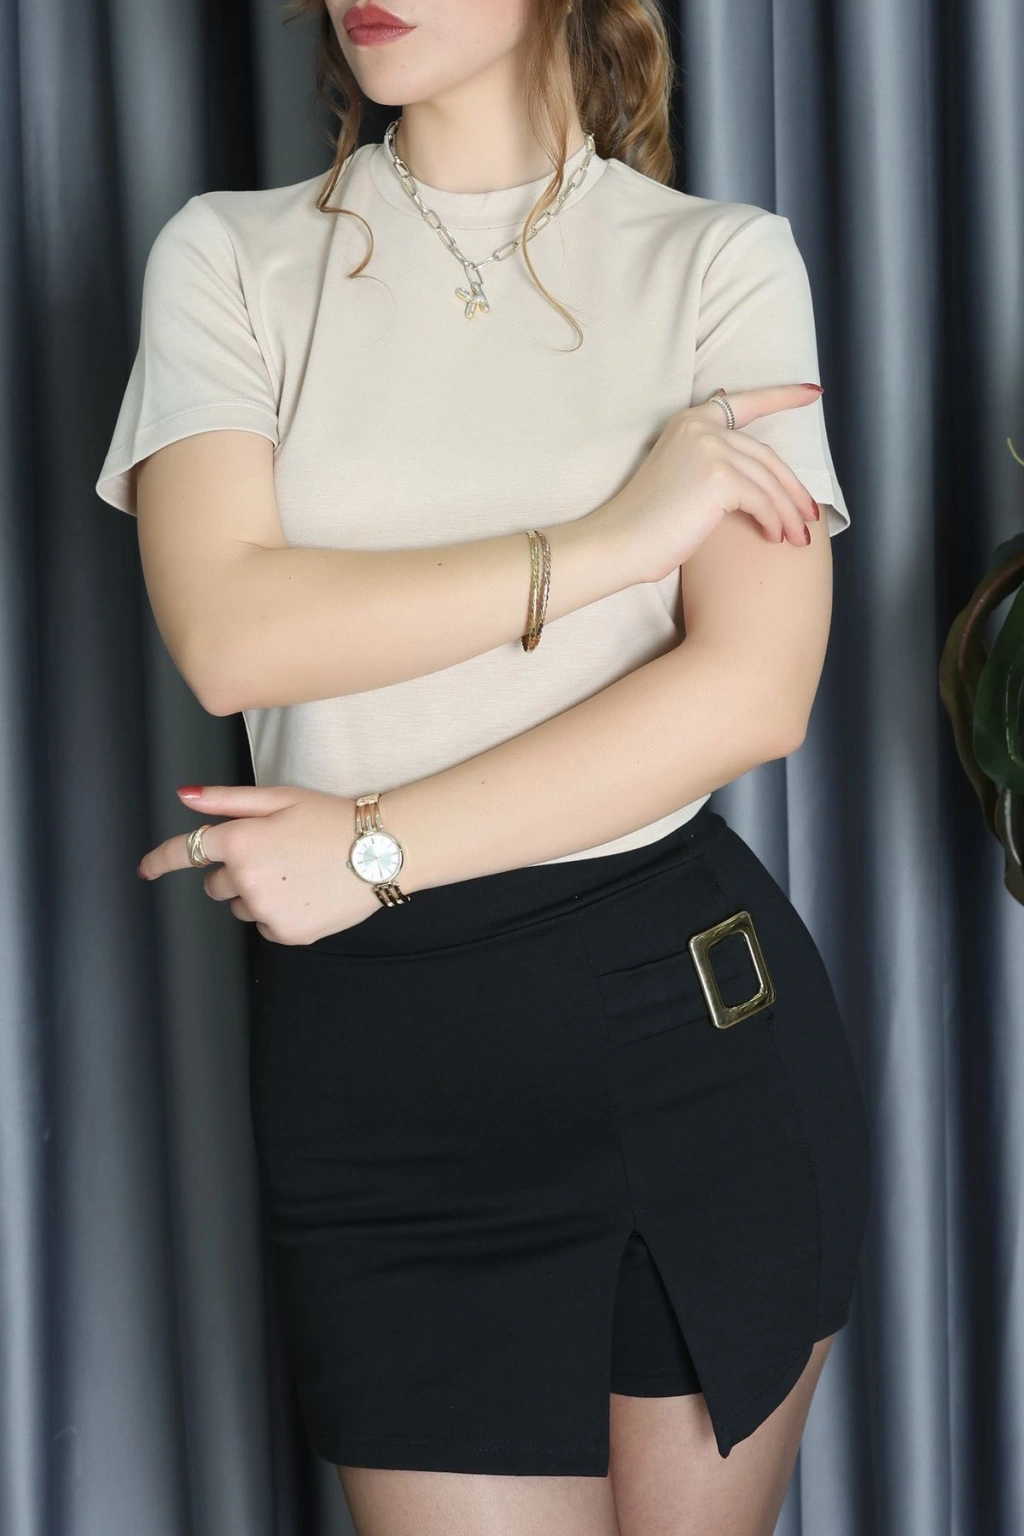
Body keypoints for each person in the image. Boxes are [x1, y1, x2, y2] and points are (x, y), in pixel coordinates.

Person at [95, 2, 872, 1532]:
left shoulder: (717, 263)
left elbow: (754, 690)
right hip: (387, 1084)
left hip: (690, 1033)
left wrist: (370, 847)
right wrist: (611, 544)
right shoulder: (230, 258)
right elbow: (232, 634)